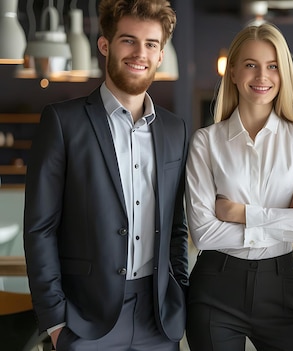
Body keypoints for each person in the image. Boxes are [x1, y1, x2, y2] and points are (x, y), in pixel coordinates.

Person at [23, 0, 188, 350]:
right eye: (128, 40)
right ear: (105, 45)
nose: (139, 53)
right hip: (84, 320)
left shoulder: (176, 130)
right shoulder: (63, 122)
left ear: (160, 54)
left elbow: (176, 226)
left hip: (158, 322)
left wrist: (180, 294)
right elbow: (40, 229)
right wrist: (55, 320)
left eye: (151, 44)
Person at [184, 23, 293, 351]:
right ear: (232, 72)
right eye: (251, 65)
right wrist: (283, 216)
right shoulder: (206, 142)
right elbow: (205, 233)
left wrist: (240, 213)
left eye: (272, 66)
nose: (262, 76)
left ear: (284, 73)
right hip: (215, 286)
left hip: (281, 284)